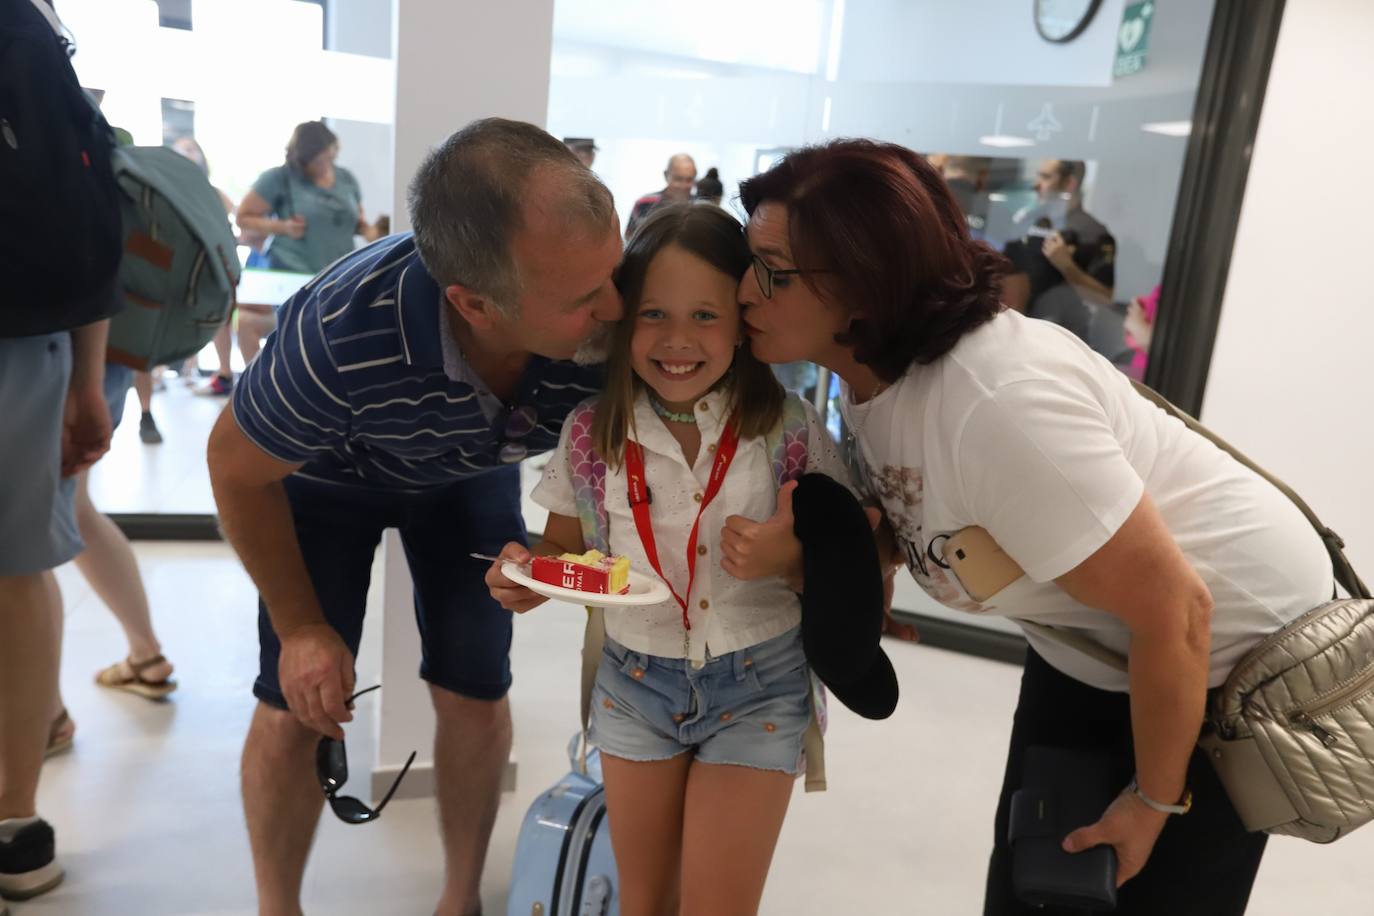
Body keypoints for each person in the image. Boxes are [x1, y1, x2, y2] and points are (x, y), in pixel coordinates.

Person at [727, 139, 1333, 915]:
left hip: (1225, 668)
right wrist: (822, 558)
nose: (746, 289)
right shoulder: (874, 379)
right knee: (1035, 886)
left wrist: (1154, 803)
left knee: (1140, 890)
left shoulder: (996, 404)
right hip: (1094, 643)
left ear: (863, 282)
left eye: (772, 270)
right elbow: (929, 518)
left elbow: (1178, 612)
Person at [206, 118, 622, 916]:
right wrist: (300, 630)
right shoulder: (338, 334)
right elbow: (234, 468)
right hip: (328, 477)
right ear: (477, 304)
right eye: (581, 299)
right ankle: (275, 907)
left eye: (613, 272)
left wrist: (563, 557)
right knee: (296, 700)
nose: (615, 309)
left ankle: (459, 897)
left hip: (472, 474)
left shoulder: (616, 311)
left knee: (475, 686)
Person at [486, 204, 849, 916]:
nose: (677, 340)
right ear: (621, 323)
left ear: (744, 321)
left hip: (760, 688)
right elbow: (562, 548)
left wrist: (793, 554)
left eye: (705, 316)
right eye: (653, 314)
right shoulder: (592, 433)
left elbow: (857, 560)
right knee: (643, 901)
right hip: (634, 685)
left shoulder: (791, 431)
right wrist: (529, 574)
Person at [1, 2, 121, 906]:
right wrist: (87, 376)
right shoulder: (31, 34)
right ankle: (16, 825)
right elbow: (86, 215)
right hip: (28, 344)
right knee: (17, 572)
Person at [234, 121, 389, 369]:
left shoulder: (346, 178)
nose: (324, 166)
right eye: (317, 161)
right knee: (294, 338)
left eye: (328, 158)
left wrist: (374, 233)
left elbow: (357, 222)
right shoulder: (279, 178)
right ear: (302, 159)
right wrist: (283, 227)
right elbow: (244, 217)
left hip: (339, 275)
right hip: (294, 273)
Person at [1001, 159, 1116, 344]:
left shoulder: (1092, 233)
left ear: (1069, 184)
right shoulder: (1028, 220)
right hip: (1016, 328)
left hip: (1060, 337)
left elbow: (1104, 297)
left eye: (1046, 177)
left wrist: (1067, 267)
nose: (1036, 184)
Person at [168, 135, 240, 397]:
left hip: (213, 265)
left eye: (193, 149)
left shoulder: (213, 192)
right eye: (184, 149)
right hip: (179, 263)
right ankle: (172, 369)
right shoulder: (168, 189)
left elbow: (234, 216)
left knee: (217, 318)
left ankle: (221, 373)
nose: (190, 153)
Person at [625, 152, 697, 239]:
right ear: (666, 175)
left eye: (689, 180)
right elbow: (629, 238)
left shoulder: (701, 207)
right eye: (678, 179)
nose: (683, 185)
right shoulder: (644, 203)